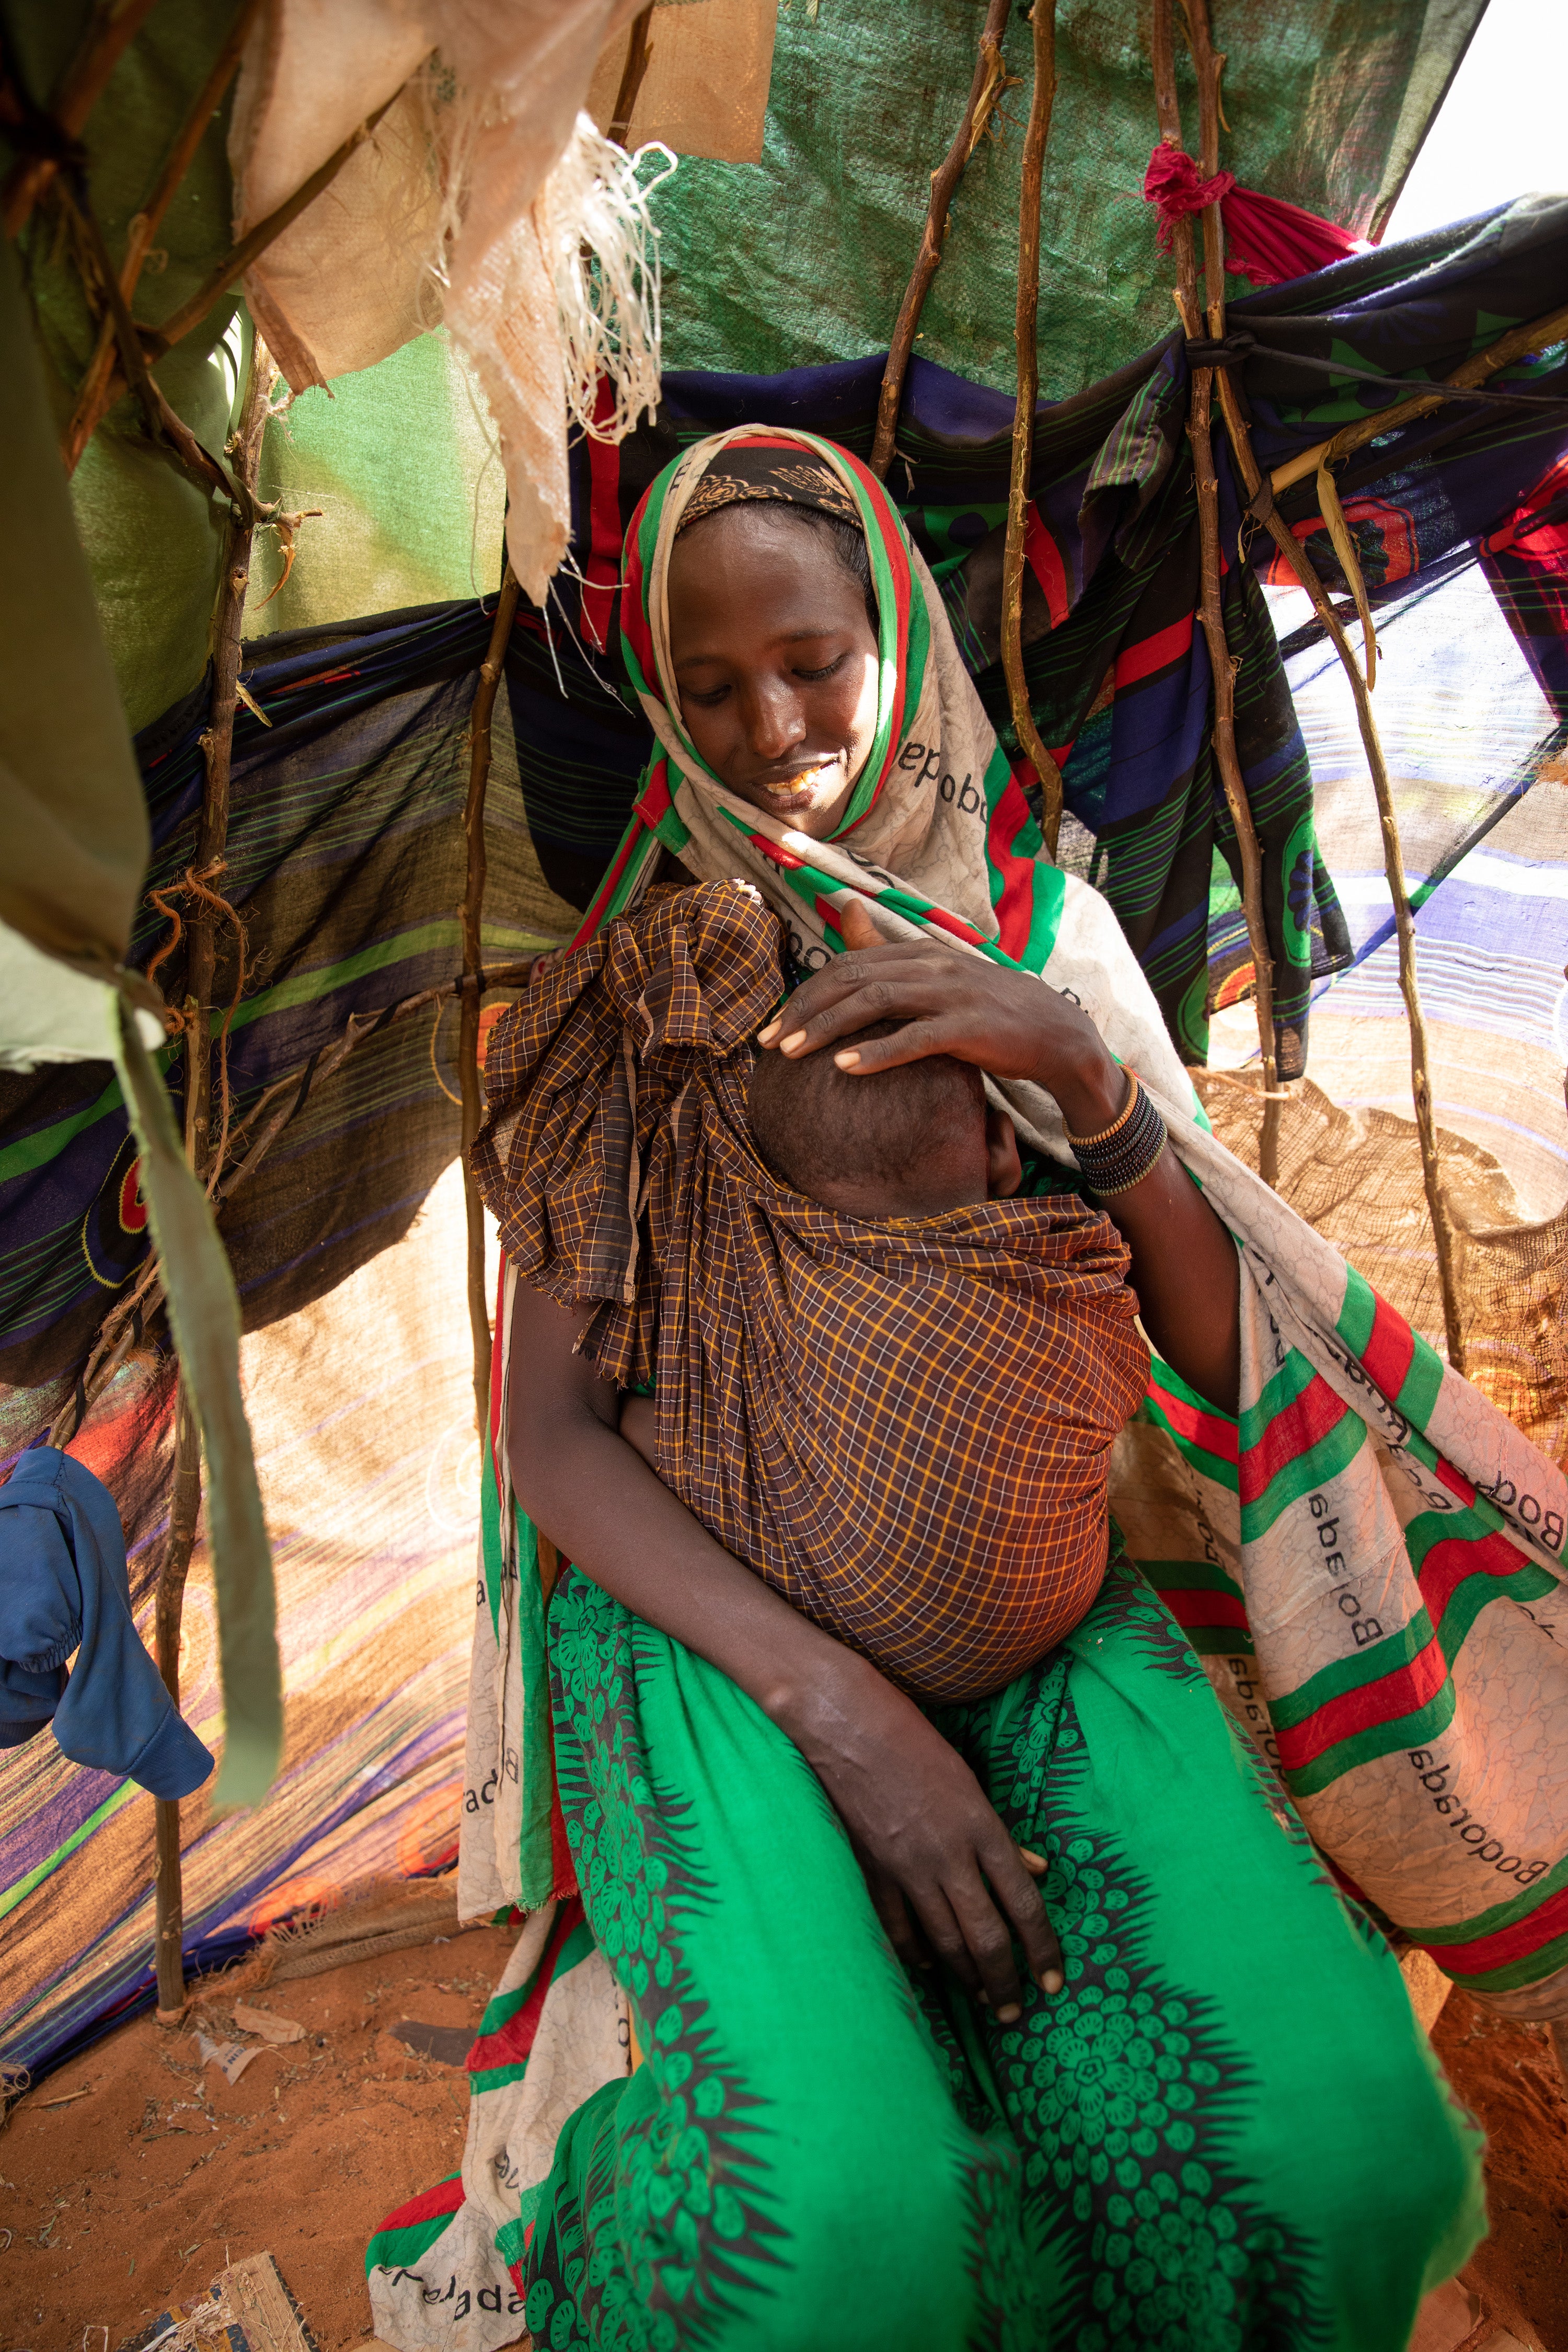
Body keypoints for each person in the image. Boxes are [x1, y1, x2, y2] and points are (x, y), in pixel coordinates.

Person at [459, 431, 1493, 2351]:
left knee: (1352, 2149)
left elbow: (1207, 1346)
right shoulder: (629, 988)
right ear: (665, 711)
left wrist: (1087, 1082)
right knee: (830, 2220)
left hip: (1038, 1601)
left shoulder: (1047, 947)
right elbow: (552, 1433)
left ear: (903, 648)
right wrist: (844, 1709)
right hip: (710, 1628)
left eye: (813, 662)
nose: (773, 724)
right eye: (710, 687)